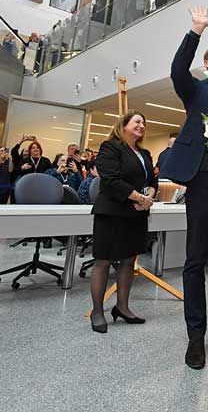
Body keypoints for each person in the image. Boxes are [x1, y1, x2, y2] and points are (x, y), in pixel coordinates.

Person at [160, 6, 208, 370]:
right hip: (202, 182)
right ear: (206, 64)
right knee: (195, 260)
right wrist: (195, 31)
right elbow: (177, 69)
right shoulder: (195, 91)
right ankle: (196, 336)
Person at [89, 110, 157, 334]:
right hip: (112, 211)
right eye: (137, 121)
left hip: (136, 214)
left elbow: (152, 180)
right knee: (103, 262)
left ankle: (123, 307)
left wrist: (149, 198)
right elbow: (110, 179)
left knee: (128, 262)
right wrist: (139, 198)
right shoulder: (111, 147)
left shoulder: (145, 153)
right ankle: (97, 312)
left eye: (144, 123)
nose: (141, 125)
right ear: (124, 125)